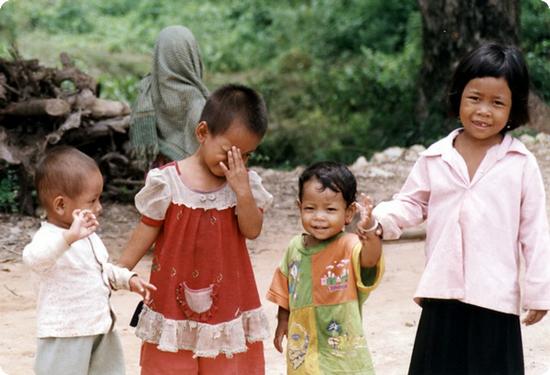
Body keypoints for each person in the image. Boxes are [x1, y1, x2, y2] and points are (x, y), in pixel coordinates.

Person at [373, 43, 550, 374]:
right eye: (475, 98)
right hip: (442, 294)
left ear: (514, 109)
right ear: (458, 98)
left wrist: (540, 292)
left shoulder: (520, 163)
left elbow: (535, 232)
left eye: (497, 103)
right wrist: (380, 219)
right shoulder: (436, 156)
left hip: (494, 298)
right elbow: (411, 201)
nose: (484, 110)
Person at [118, 84, 273, 374]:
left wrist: (243, 193)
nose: (234, 164)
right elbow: (147, 228)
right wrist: (119, 271)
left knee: (226, 364)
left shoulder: (244, 185)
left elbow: (252, 230)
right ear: (203, 133)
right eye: (227, 152)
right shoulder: (168, 182)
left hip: (229, 299)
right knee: (172, 361)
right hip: (171, 299)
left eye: (246, 156)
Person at [22, 146, 156, 375]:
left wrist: (127, 279)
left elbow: (101, 270)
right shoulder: (51, 237)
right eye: (92, 200)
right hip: (65, 335)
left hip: (100, 327)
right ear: (61, 205)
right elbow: (33, 258)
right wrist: (68, 238)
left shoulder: (88, 237)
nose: (99, 207)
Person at [266, 161, 384, 374]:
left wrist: (370, 233)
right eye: (310, 208)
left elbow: (370, 260)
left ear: (348, 213)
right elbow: (286, 289)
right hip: (304, 345)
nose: (319, 217)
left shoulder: (349, 245)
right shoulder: (294, 248)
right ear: (299, 206)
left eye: (330, 209)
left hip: (341, 354)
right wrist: (282, 321)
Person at [129, 25, 209, 170]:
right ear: (192, 55)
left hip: (159, 172)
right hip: (192, 175)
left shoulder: (148, 89)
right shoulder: (197, 100)